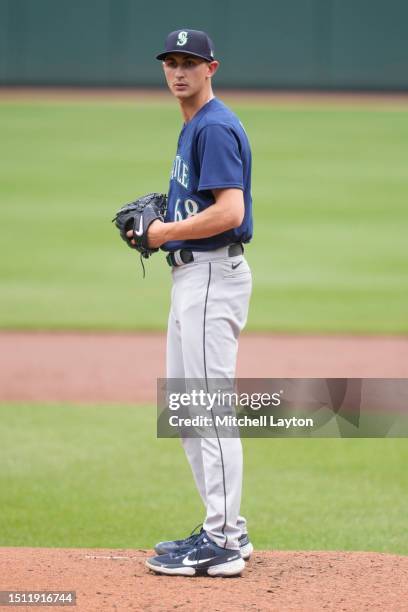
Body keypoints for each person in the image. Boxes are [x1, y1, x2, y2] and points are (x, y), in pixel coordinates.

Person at [129, 29, 254, 577]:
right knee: (185, 411)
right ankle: (221, 526)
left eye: (190, 63)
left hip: (210, 276)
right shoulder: (193, 125)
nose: (179, 72)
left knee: (208, 407)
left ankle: (224, 542)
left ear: (211, 68)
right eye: (171, 63)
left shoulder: (216, 126)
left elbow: (230, 212)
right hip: (192, 278)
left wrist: (162, 232)